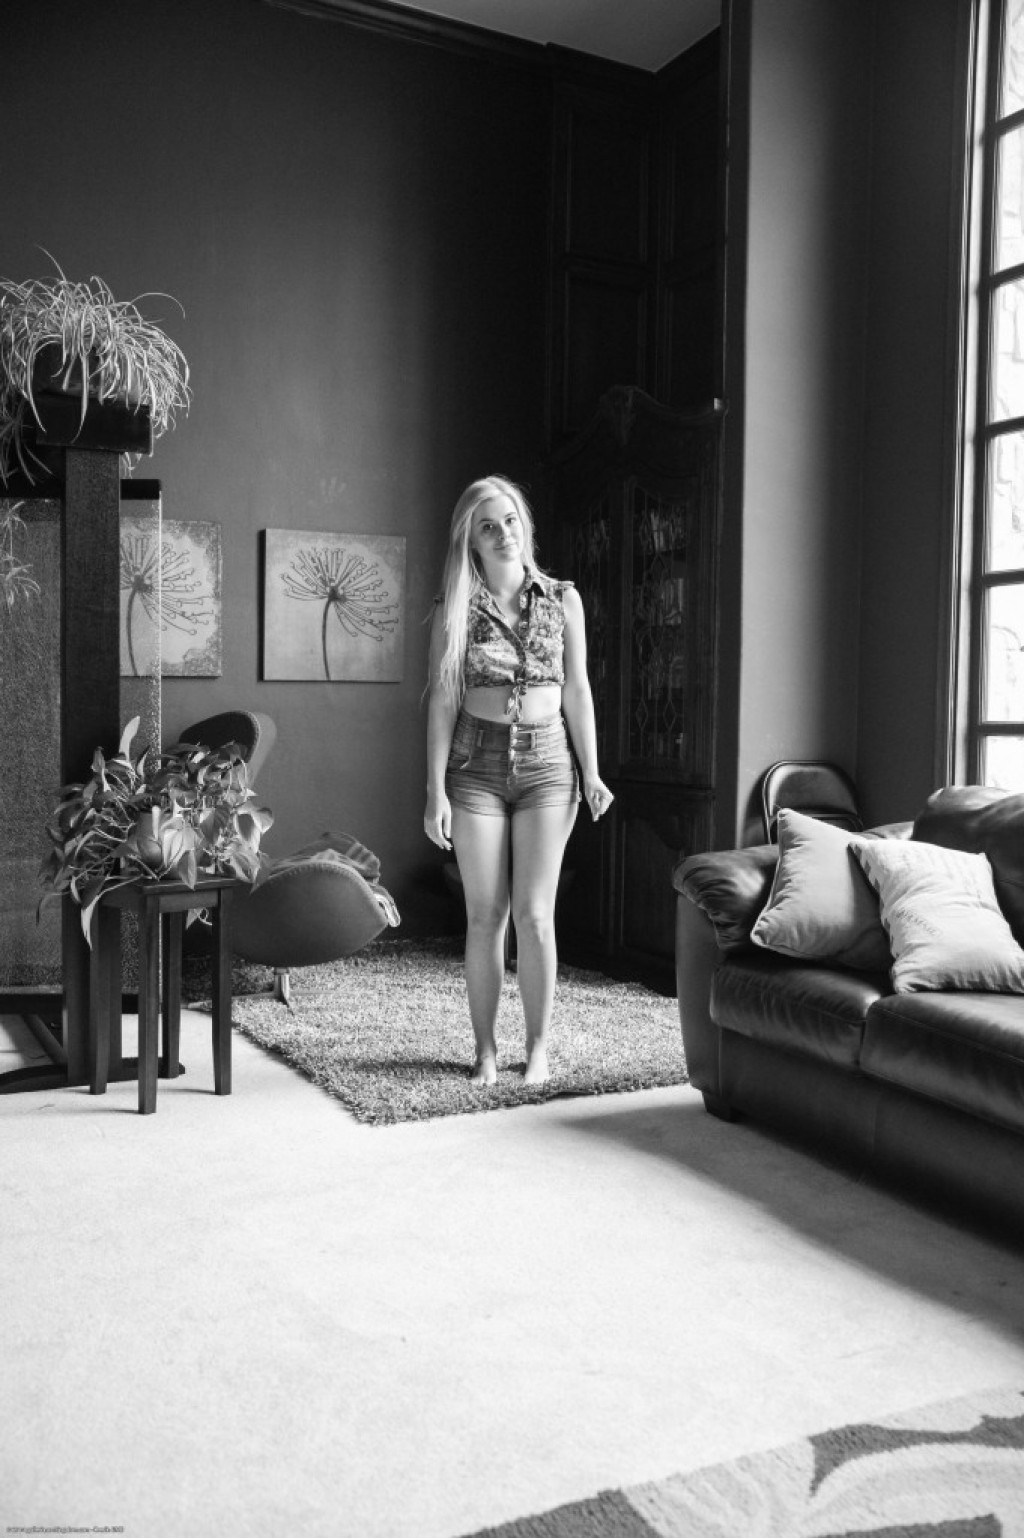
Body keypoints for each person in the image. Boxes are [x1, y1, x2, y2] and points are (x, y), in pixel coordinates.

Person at [424, 475, 614, 1087]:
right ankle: (485, 1051)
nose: (503, 533)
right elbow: (443, 700)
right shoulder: (454, 608)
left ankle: (537, 1049)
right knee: (486, 915)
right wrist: (433, 791)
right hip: (474, 766)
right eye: (488, 526)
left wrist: (592, 772)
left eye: (509, 520)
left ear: (523, 525)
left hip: (549, 764)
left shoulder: (563, 600)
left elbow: (578, 690)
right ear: (471, 541)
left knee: (535, 915)